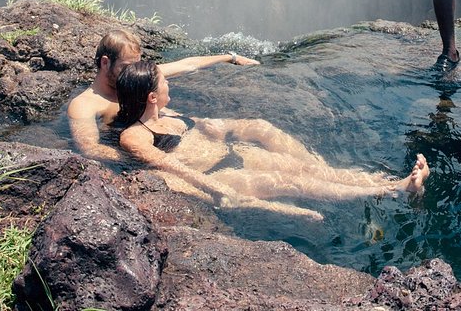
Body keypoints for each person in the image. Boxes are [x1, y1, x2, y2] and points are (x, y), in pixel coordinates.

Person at [114, 60, 430, 219]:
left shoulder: (170, 113)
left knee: (310, 170)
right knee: (292, 184)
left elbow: (209, 131)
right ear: (152, 96)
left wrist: (220, 127)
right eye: (165, 81)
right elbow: (170, 168)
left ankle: (396, 182)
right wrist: (216, 190)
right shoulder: (134, 135)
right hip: (219, 175)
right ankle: (392, 190)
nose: (171, 82)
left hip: (235, 155)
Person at [67, 29, 261, 160]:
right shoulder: (84, 104)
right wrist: (148, 155)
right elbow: (90, 149)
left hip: (183, 132)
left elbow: (186, 65)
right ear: (105, 62)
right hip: (161, 150)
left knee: (260, 131)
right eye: (127, 66)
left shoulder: (136, 76)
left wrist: (231, 57)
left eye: (137, 64)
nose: (133, 70)